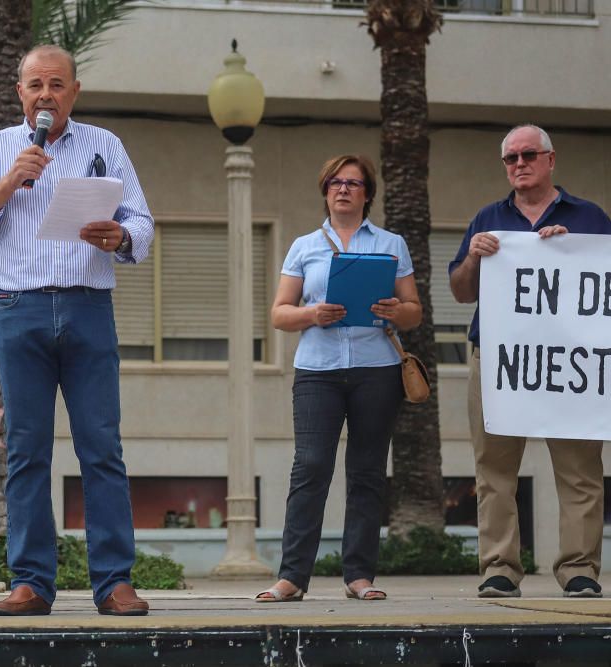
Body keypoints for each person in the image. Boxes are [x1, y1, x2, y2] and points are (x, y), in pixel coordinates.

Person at [0, 45, 154, 616]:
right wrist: (7, 184)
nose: (45, 94)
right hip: (19, 309)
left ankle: (113, 583)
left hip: (88, 308)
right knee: (27, 451)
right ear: (20, 93)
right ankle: (30, 582)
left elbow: (142, 221)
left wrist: (122, 237)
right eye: (35, 84)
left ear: (74, 92)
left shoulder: (104, 147)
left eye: (56, 84)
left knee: (101, 448)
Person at [449, 124, 610, 599]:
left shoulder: (590, 218)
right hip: (500, 360)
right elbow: (461, 291)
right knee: (494, 467)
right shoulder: (488, 217)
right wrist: (475, 259)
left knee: (580, 466)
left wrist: (569, 252)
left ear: (550, 159)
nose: (519, 164)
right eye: (510, 158)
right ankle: (500, 568)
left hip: (569, 364)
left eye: (528, 155)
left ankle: (579, 569)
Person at [256, 154, 422, 603]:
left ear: (368, 193)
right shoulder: (303, 246)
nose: (343, 189)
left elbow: (414, 310)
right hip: (318, 370)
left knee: (367, 472)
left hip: (376, 369)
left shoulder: (392, 244)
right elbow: (278, 314)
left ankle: (359, 576)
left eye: (353, 182)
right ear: (325, 190)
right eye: (335, 182)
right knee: (310, 467)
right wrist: (311, 314)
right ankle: (292, 577)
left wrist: (394, 310)